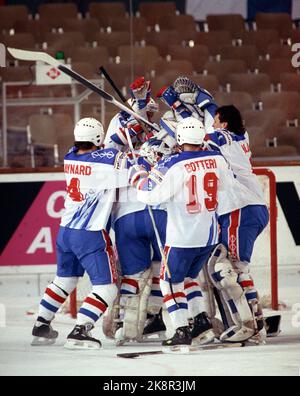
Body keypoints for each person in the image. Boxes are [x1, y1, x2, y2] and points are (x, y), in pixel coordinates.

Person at [129, 117, 257, 349]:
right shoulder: (217, 159)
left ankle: (180, 331)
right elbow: (227, 186)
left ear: (180, 138)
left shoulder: (172, 164)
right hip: (208, 236)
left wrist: (139, 172)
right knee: (189, 279)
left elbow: (150, 195)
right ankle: (201, 323)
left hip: (181, 237)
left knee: (170, 282)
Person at [31, 117, 130, 350]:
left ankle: (41, 324)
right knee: (107, 288)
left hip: (66, 231)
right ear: (98, 138)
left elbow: (106, 151)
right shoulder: (105, 161)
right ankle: (81, 329)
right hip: (90, 232)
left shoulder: (69, 155)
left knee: (64, 279)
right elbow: (129, 162)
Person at [204, 105, 269, 342]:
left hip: (240, 209)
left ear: (224, 124)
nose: (211, 125)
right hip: (250, 208)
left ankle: (248, 326)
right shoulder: (238, 138)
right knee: (237, 267)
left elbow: (197, 139)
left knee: (227, 268)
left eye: (215, 121)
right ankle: (256, 323)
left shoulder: (223, 137)